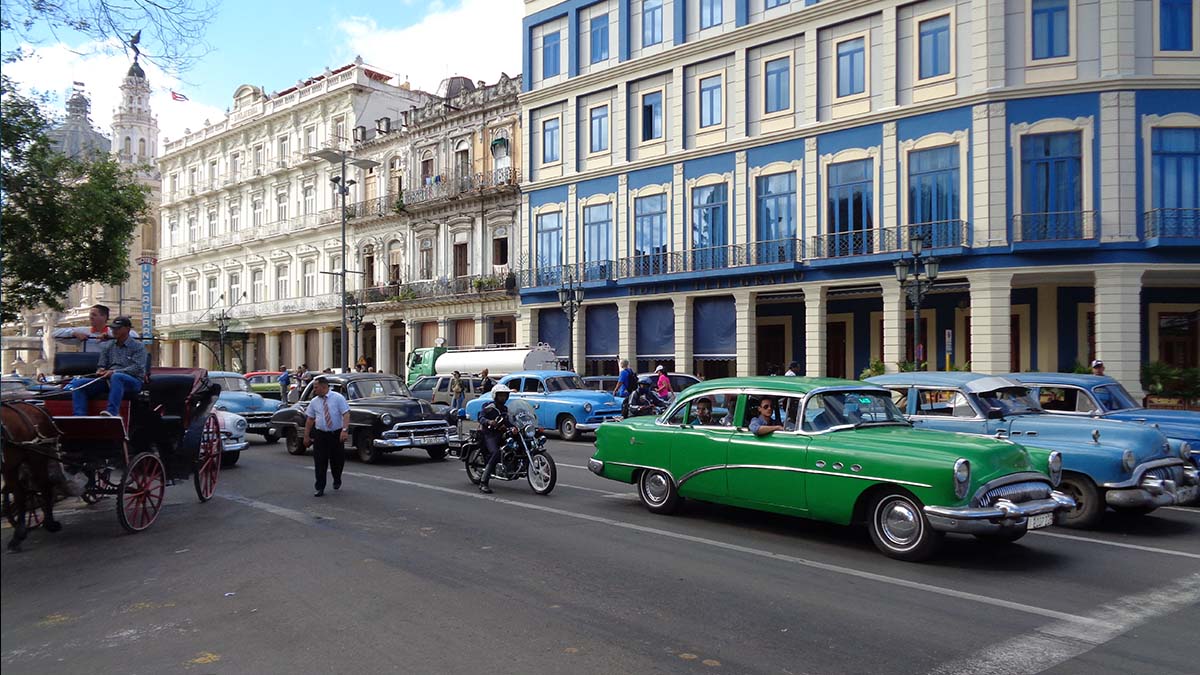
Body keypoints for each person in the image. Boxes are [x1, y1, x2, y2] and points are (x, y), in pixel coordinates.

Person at [66, 316, 146, 417]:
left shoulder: (138, 346)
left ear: (127, 329)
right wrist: (101, 370)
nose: (114, 331)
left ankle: (112, 412)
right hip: (109, 380)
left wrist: (115, 372)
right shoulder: (108, 346)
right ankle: (79, 416)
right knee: (78, 384)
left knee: (117, 377)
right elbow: (101, 365)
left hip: (132, 381)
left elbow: (137, 368)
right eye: (113, 328)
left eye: (118, 328)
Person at [304, 376, 350, 497]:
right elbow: (310, 419)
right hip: (320, 435)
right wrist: (306, 435)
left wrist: (344, 430)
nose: (314, 390)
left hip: (336, 434)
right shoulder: (314, 402)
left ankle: (337, 478)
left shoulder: (338, 398)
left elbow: (346, 414)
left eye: (316, 387)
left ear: (324, 387)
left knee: (337, 461)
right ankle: (320, 487)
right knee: (320, 462)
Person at [53, 304, 139, 353]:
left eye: (94, 315)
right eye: (90, 315)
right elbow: (54, 334)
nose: (90, 317)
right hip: (86, 368)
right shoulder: (83, 331)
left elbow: (135, 337)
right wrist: (73, 333)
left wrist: (111, 336)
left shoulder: (113, 331)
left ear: (104, 317)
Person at [477, 384, 512, 494]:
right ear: (495, 396)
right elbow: (480, 417)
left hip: (501, 433)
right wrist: (489, 422)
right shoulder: (489, 406)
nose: (503, 398)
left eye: (505, 395)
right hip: (489, 434)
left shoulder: (505, 409)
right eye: (501, 395)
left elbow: (508, 421)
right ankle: (483, 482)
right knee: (496, 453)